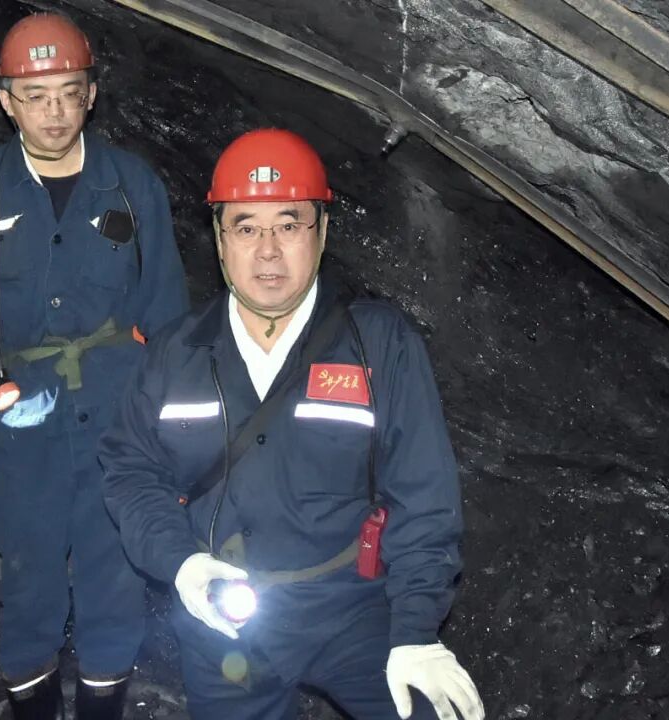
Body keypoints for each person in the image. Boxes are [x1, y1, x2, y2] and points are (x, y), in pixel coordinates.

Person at [99, 129, 485, 720]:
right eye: (246, 228)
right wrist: (181, 563)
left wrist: (415, 631)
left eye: (289, 224)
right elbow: (130, 471)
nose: (268, 250)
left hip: (354, 613)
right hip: (223, 619)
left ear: (322, 232)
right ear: (220, 240)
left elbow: (424, 497)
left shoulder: (379, 343)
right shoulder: (175, 354)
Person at [0, 12, 190, 719]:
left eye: (68, 93)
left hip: (118, 406)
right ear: (7, 101)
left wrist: (168, 426)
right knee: (28, 568)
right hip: (22, 410)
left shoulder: (132, 185)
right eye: (35, 95)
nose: (53, 112)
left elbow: (167, 306)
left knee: (115, 569)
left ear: (91, 95)